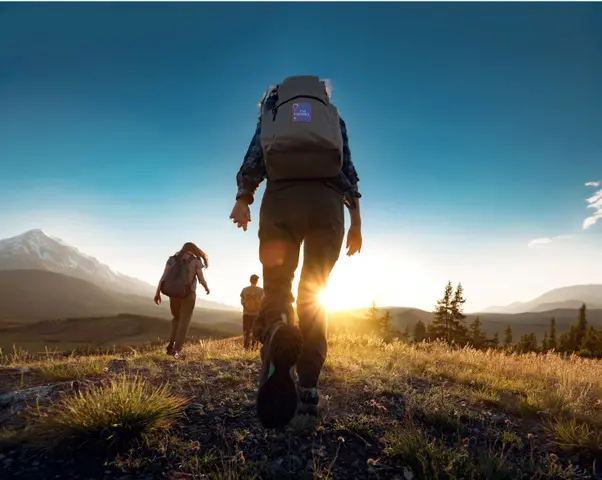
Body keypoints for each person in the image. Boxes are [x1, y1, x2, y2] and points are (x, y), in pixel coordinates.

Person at [229, 75, 363, 428]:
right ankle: (307, 391)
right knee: (313, 294)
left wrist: (243, 198)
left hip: (280, 202)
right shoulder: (332, 118)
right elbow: (347, 171)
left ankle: (275, 331)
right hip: (327, 207)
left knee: (276, 285)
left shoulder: (272, 114)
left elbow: (254, 157)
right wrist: (356, 223)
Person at [154, 242, 210, 359]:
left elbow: (163, 277)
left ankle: (170, 346)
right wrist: (206, 287)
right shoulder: (195, 260)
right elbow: (201, 278)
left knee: (176, 319)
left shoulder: (172, 259)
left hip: (173, 293)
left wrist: (157, 293)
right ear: (193, 250)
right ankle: (177, 350)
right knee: (184, 322)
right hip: (188, 295)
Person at [240, 274, 265, 350]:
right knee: (255, 332)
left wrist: (245, 307)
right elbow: (262, 302)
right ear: (257, 281)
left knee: (246, 331)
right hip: (256, 314)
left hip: (246, 313)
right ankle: (254, 348)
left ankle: (246, 348)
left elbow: (242, 301)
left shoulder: (244, 289)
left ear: (250, 280)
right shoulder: (261, 290)